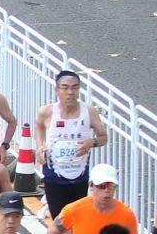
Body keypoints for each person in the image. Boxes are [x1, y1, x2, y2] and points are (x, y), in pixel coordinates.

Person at [35, 68, 107, 214]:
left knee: (76, 217)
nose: (70, 92)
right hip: (53, 175)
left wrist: (91, 143)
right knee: (58, 218)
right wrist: (40, 147)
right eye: (65, 88)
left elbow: (103, 137)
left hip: (78, 175)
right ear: (57, 90)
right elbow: (39, 127)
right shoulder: (47, 112)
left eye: (74, 88)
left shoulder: (89, 111)